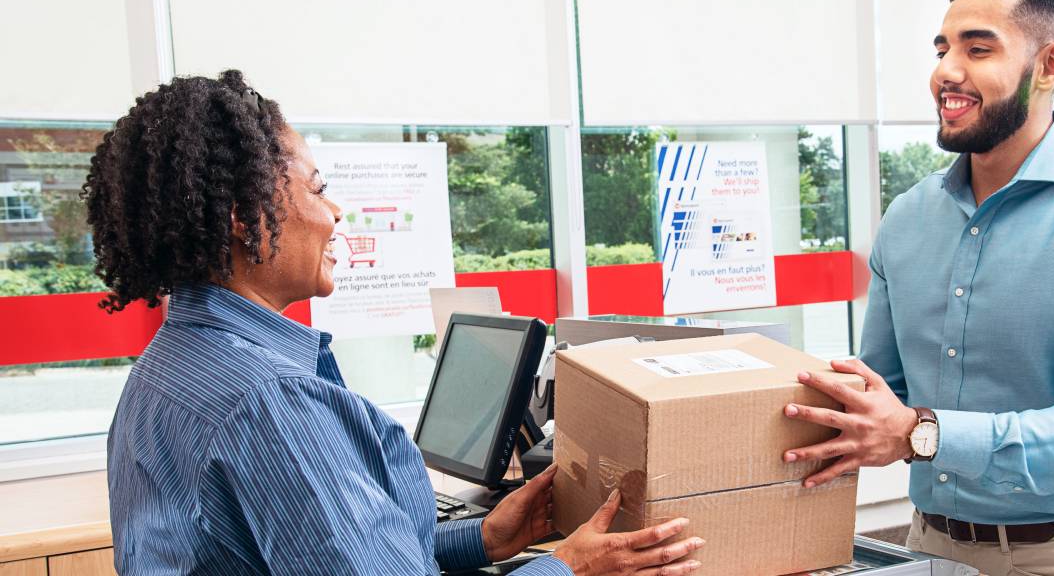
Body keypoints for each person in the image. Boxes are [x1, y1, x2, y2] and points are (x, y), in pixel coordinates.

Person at [86, 70, 704, 576]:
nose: (334, 212)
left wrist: (484, 538)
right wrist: (569, 569)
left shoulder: (160, 374)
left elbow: (348, 554)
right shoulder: (270, 402)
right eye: (317, 187)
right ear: (246, 217)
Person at [779, 0, 1054, 574]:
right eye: (941, 49)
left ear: (1050, 65)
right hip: (929, 546)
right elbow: (886, 393)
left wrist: (920, 434)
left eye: (977, 50)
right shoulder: (907, 218)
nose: (945, 72)